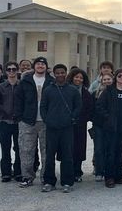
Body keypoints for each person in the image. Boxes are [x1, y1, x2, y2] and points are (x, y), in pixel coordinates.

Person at [39, 64, 81, 193]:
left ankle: (67, 182)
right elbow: (43, 107)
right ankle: (49, 181)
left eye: (62, 72)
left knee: (67, 156)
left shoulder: (73, 90)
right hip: (52, 127)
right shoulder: (48, 90)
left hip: (67, 128)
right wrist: (47, 119)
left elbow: (78, 107)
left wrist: (72, 118)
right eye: (57, 73)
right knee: (49, 155)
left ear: (66, 73)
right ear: (54, 74)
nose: (60, 75)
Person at [93, 68, 122, 188]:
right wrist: (109, 117)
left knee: (120, 152)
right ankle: (110, 177)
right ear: (116, 78)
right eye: (119, 76)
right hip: (111, 127)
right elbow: (99, 106)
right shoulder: (109, 91)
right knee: (110, 152)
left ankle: (120, 175)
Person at [15, 56, 53, 188]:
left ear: (46, 67)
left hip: (46, 121)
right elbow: (18, 100)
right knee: (26, 150)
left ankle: (45, 176)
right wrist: (19, 116)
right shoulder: (26, 81)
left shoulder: (51, 81)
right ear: (34, 66)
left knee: (46, 151)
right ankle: (27, 176)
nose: (40, 66)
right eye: (38, 64)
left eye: (43, 64)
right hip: (27, 121)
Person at [0, 61, 21, 182]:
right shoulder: (0, 87)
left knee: (19, 149)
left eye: (14, 69)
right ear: (6, 72)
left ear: (17, 71)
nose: (12, 71)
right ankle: (6, 172)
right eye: (9, 69)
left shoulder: (22, 86)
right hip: (4, 121)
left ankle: (18, 172)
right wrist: (3, 110)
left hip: (19, 122)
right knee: (5, 148)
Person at [67, 68, 93, 182]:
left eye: (81, 77)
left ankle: (77, 171)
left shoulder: (86, 92)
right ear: (72, 77)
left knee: (79, 148)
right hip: (67, 123)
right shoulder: (65, 90)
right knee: (68, 148)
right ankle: (68, 171)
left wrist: (83, 119)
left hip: (80, 124)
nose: (78, 79)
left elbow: (89, 108)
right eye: (76, 77)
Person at [89, 71, 113, 181]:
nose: (107, 81)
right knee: (98, 149)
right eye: (105, 79)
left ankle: (109, 170)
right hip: (98, 125)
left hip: (112, 125)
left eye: (109, 79)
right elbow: (92, 109)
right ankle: (99, 170)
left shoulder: (116, 93)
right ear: (101, 81)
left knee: (110, 148)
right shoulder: (95, 94)